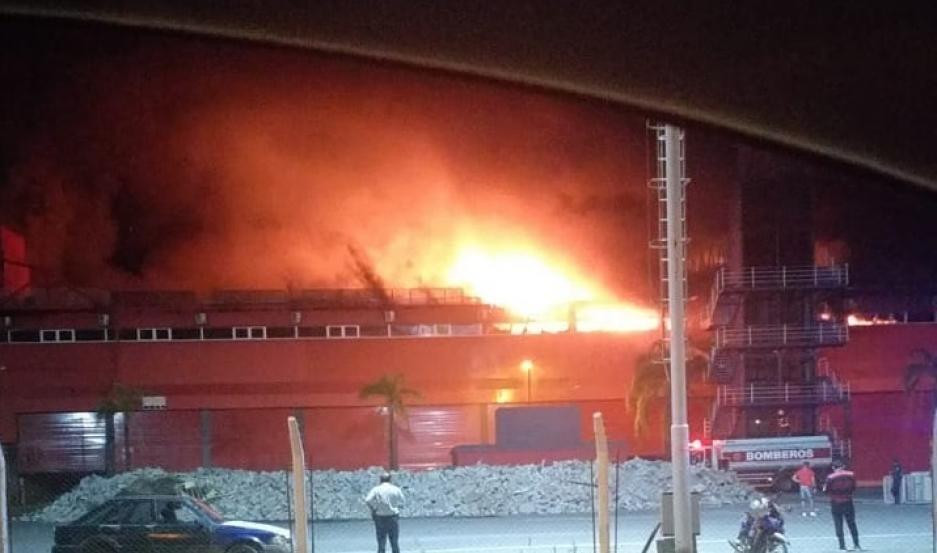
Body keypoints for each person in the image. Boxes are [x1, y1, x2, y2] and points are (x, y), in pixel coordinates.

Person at [824, 460, 861, 551]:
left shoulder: (830, 477)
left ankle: (842, 546)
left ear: (833, 468)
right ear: (843, 466)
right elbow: (854, 487)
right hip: (848, 501)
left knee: (838, 523)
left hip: (836, 502)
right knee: (852, 523)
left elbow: (826, 490)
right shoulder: (851, 474)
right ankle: (856, 544)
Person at [365, 472, 405, 553]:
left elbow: (368, 500)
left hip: (380, 517)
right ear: (390, 479)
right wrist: (395, 506)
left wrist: (374, 508)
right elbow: (402, 501)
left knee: (381, 542)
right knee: (394, 541)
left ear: (380, 480)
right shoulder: (395, 489)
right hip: (393, 517)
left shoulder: (376, 489)